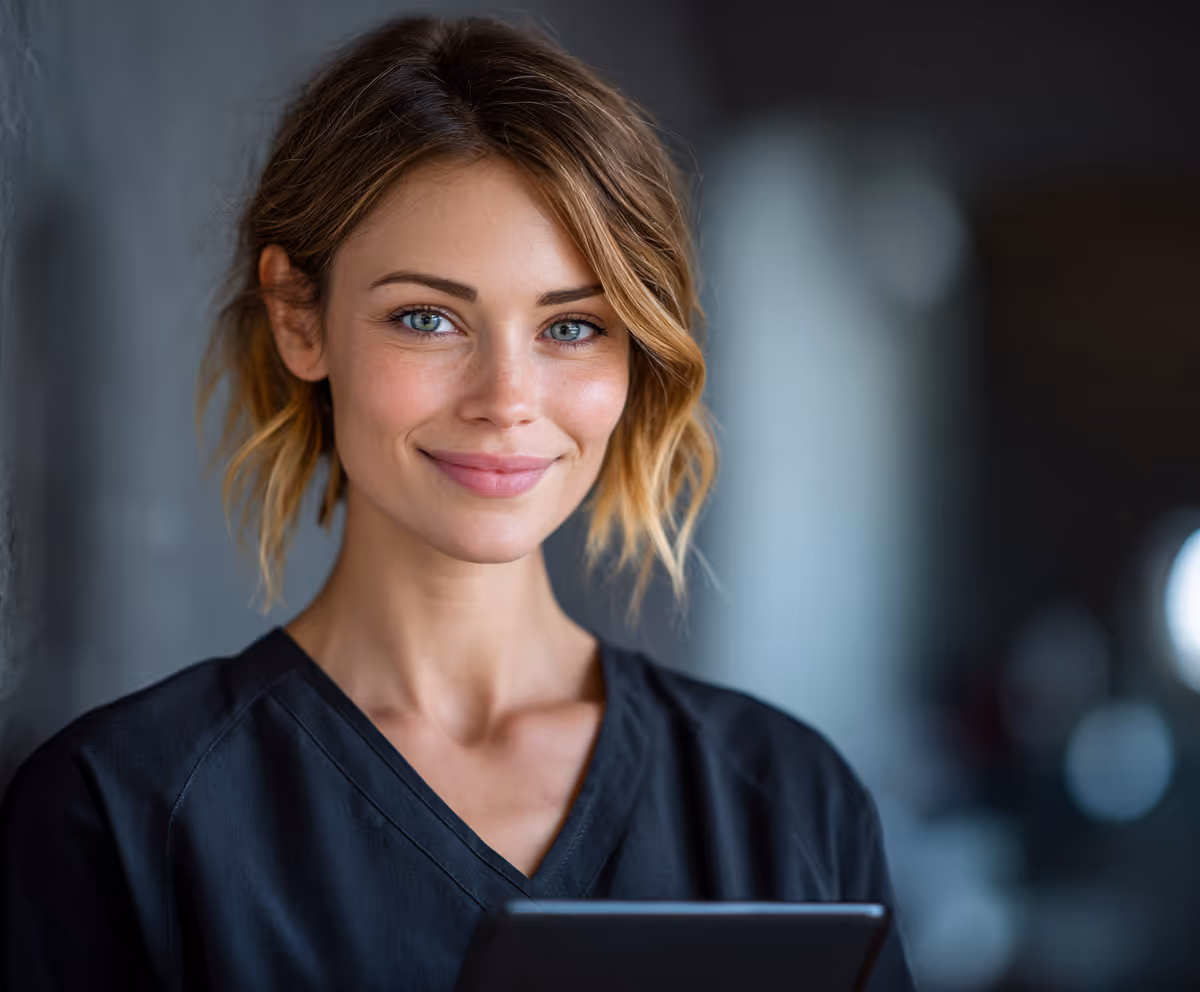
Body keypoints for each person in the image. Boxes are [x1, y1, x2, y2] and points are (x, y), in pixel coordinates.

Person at [0, 14, 915, 991]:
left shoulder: (790, 797)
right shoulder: (118, 813)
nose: (506, 400)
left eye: (571, 326)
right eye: (427, 317)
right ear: (299, 319)